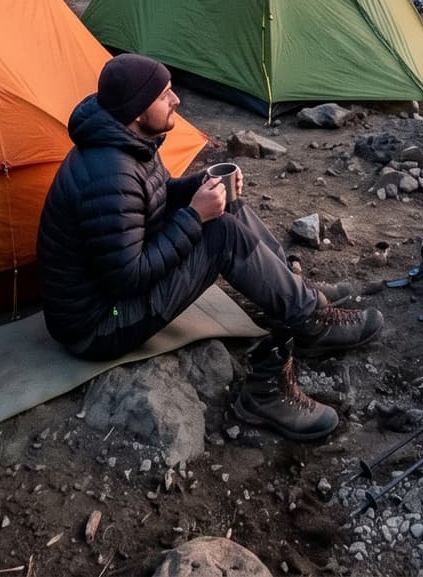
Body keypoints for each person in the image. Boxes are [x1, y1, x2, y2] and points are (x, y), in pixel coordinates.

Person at [38, 53, 382, 441]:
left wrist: (201, 185)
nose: (177, 100)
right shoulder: (109, 173)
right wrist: (194, 217)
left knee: (224, 197)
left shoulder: (127, 140)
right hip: (100, 321)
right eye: (165, 94)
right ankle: (308, 323)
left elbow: (155, 199)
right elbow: (127, 279)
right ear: (137, 111)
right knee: (220, 235)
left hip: (111, 295)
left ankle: (294, 294)